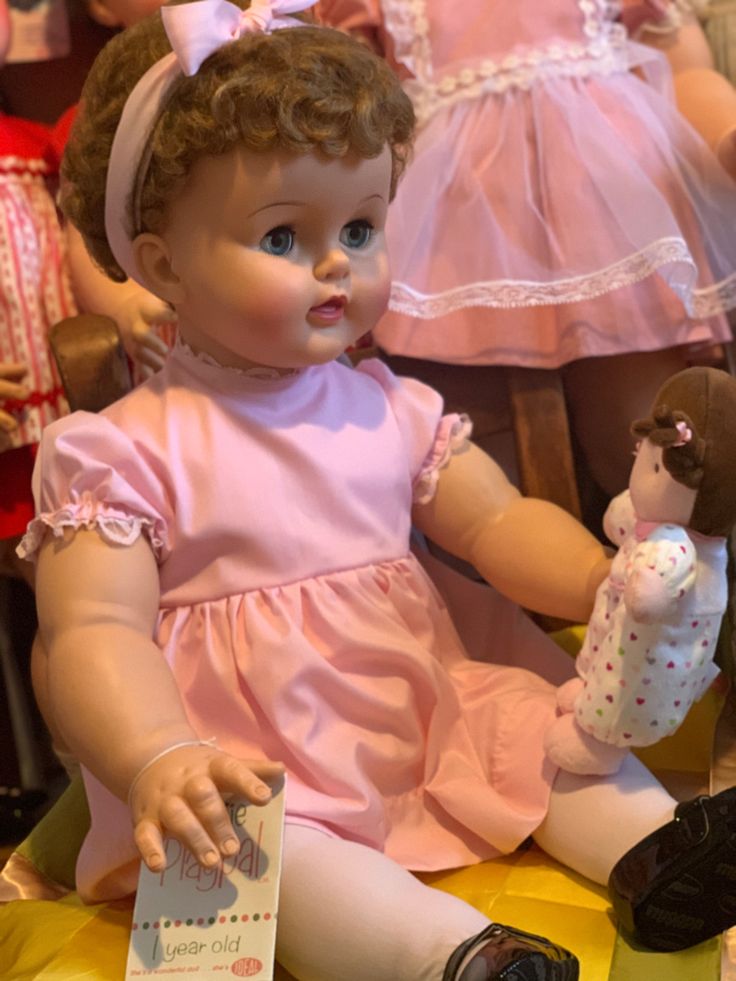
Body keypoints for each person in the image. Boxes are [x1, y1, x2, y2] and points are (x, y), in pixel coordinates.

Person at [19, 1, 736, 977]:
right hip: (243, 754)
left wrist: (598, 582)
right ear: (161, 266)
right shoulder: (119, 453)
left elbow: (493, 522)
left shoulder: (385, 404)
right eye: (282, 237)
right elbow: (91, 634)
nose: (335, 264)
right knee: (265, 858)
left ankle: (660, 852)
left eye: (361, 227)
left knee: (544, 733)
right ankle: (447, 955)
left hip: (424, 703)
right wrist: (155, 755)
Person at [317, 0, 736, 499]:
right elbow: (347, 109)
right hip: (453, 248)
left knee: (654, 445)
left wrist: (723, 131)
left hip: (614, 227)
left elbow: (684, 71)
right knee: (466, 456)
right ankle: (517, 560)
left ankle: (672, 551)